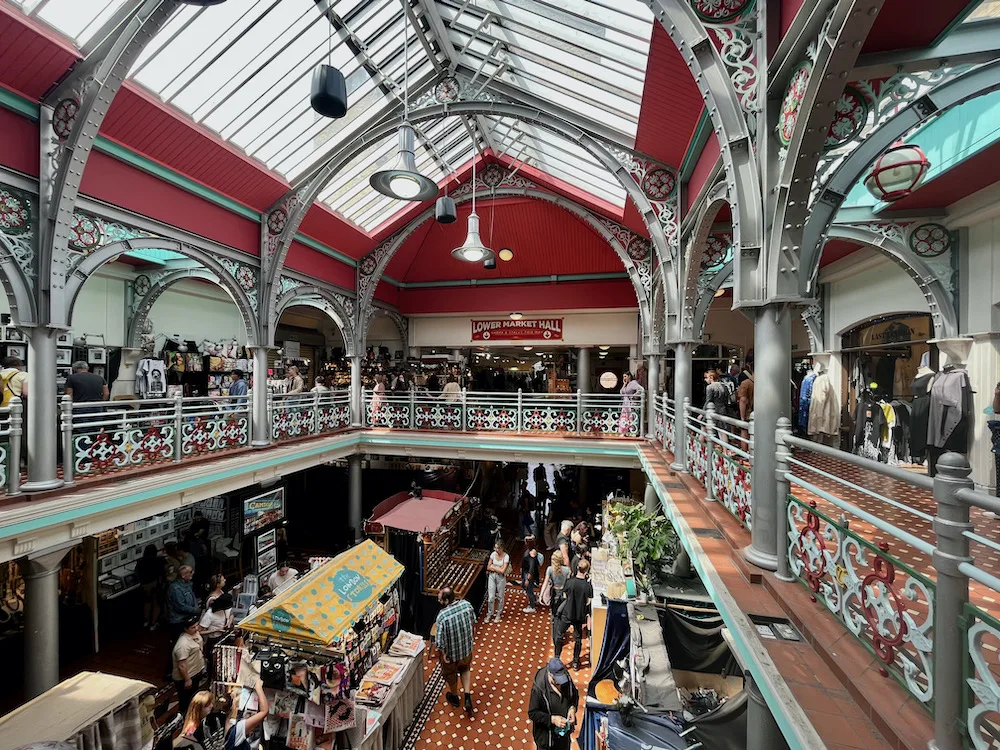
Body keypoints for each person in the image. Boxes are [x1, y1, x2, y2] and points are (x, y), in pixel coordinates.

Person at [434, 585, 477, 716]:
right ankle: (467, 695)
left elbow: (440, 642)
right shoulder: (466, 605)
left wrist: (443, 654)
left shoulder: (442, 616)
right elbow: (473, 622)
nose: (439, 599)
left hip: (451, 655)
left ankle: (454, 697)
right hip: (466, 650)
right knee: (465, 668)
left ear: (446, 601)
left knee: (450, 675)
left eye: (440, 597)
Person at [528, 658, 580, 750]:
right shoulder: (539, 688)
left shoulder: (566, 679)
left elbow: (574, 695)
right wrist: (552, 719)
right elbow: (533, 713)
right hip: (547, 740)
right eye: (557, 680)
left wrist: (572, 708)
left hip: (563, 736)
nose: (560, 683)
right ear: (549, 674)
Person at [553, 558, 592, 670]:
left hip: (567, 613)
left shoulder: (570, 582)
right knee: (578, 639)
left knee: (559, 635)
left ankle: (557, 658)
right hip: (579, 615)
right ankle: (575, 662)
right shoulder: (587, 586)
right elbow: (588, 601)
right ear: (587, 571)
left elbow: (565, 595)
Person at [173, 616, 207, 716]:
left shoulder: (194, 633)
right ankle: (184, 718)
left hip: (196, 670)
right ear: (185, 629)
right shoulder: (182, 644)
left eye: (196, 625)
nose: (196, 628)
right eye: (193, 627)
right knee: (186, 700)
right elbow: (181, 665)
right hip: (187, 675)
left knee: (193, 696)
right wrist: (187, 679)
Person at [221, 680, 269, 750]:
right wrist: (259, 688)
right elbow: (264, 712)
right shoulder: (237, 729)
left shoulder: (223, 726)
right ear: (232, 707)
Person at [200, 593, 233, 676]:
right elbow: (200, 632)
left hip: (223, 638)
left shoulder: (224, 609)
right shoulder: (209, 615)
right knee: (213, 663)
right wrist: (215, 630)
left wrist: (228, 622)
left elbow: (231, 614)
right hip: (213, 641)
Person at [135, 544, 163, 630]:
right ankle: (153, 623)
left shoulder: (140, 561)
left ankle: (146, 621)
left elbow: (136, 572)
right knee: (156, 603)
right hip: (155, 584)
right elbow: (161, 573)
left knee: (147, 603)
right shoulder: (158, 560)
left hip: (145, 585)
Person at [486, 540, 510, 622]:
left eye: (498, 548)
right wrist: (497, 568)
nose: (496, 550)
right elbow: (488, 567)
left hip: (501, 578)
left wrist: (494, 567)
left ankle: (498, 614)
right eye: (495, 548)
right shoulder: (493, 554)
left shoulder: (506, 556)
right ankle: (490, 613)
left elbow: (503, 571)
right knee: (491, 597)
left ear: (502, 548)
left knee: (500, 596)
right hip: (492, 576)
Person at [543, 549, 572, 615]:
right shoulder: (567, 570)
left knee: (553, 611)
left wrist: (541, 595)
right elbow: (568, 583)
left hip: (554, 592)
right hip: (564, 592)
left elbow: (545, 582)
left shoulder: (550, 569)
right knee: (562, 610)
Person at [521, 536, 541, 613]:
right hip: (525, 571)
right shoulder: (530, 550)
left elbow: (531, 568)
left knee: (529, 590)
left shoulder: (532, 553)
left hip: (528, 574)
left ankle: (532, 606)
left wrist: (528, 579)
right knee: (523, 585)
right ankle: (534, 599)